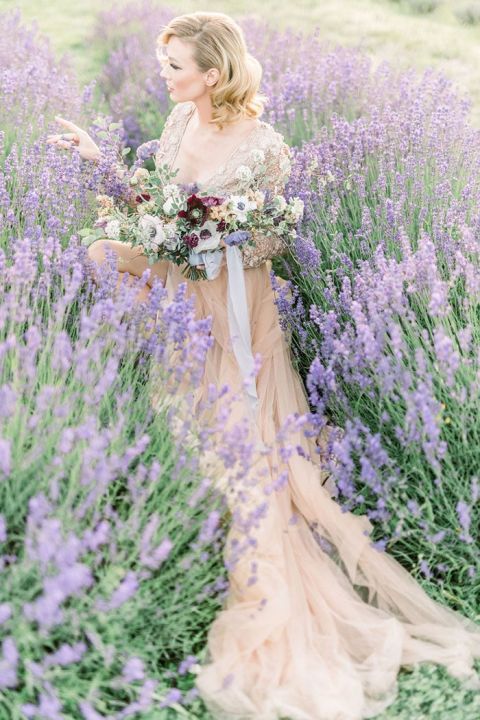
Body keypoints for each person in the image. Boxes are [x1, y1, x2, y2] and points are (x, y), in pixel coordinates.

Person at [47, 11, 480, 720]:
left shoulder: (266, 147)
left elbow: (268, 243)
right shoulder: (176, 126)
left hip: (235, 305)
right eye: (163, 66)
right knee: (100, 253)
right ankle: (152, 404)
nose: (165, 76)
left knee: (250, 449)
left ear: (212, 74)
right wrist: (101, 162)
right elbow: (155, 206)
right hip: (183, 279)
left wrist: (217, 237)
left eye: (175, 67)